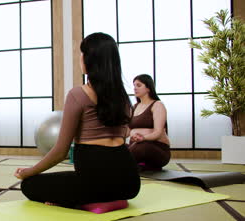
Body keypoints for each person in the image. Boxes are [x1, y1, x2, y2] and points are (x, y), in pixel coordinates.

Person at [14, 33, 140, 208]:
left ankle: (85, 203)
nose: (80, 58)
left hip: (93, 183)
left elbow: (60, 151)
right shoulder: (124, 98)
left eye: (83, 54)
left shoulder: (78, 94)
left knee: (29, 185)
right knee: (77, 181)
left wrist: (29, 172)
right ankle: (109, 200)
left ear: (90, 60)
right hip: (129, 183)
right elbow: (125, 133)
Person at [128, 74, 170, 171]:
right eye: (134, 86)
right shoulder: (134, 107)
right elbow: (127, 131)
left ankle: (131, 163)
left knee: (142, 147)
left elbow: (158, 133)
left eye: (138, 85)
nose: (135, 88)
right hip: (135, 146)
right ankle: (139, 164)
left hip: (155, 149)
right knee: (118, 149)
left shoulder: (157, 105)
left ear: (148, 88)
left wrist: (142, 138)